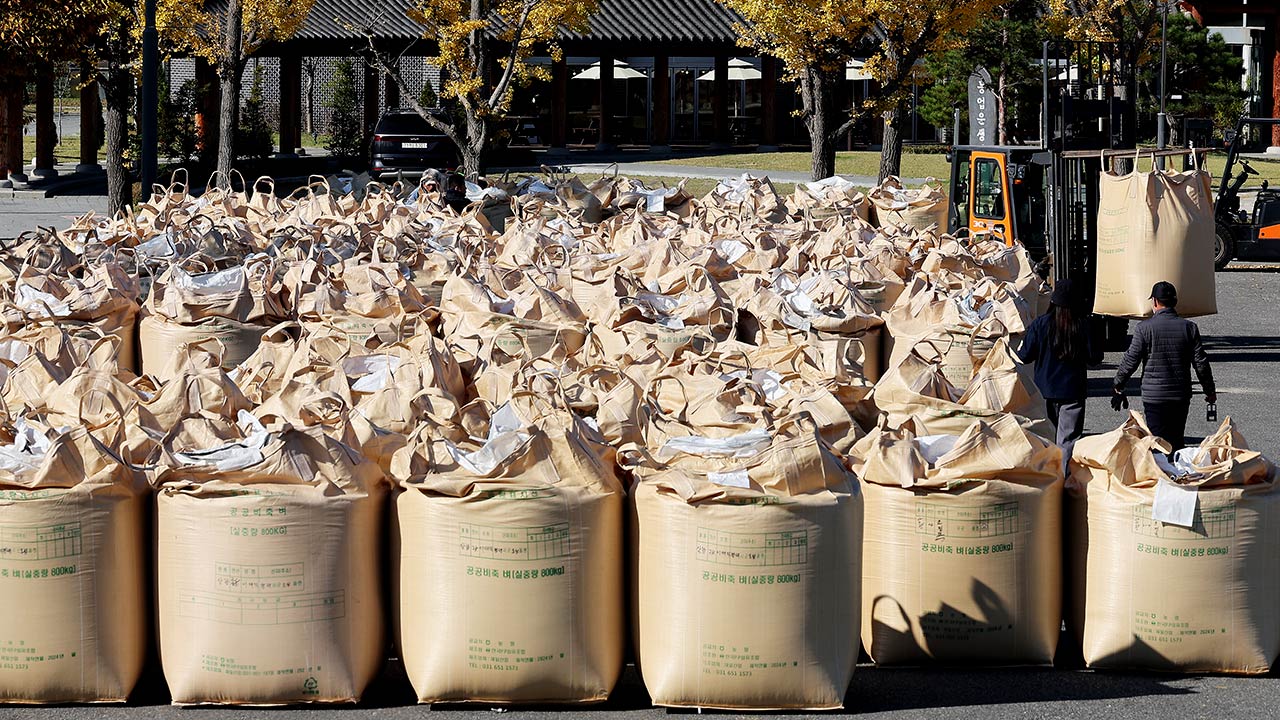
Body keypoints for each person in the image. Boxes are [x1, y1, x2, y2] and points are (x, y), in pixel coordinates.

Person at [1112, 281, 1216, 452]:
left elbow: (1131, 360)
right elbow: (1201, 363)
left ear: (1154, 302)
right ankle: (1177, 474)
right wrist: (1209, 391)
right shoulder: (1189, 328)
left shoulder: (1144, 328)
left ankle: (1162, 474)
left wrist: (1118, 384)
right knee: (1176, 440)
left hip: (1154, 397)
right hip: (1180, 396)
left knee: (1157, 443)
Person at [1016, 277, 1100, 477]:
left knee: (1045, 437)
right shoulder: (1083, 325)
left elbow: (1024, 356)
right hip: (1072, 391)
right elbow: (1095, 358)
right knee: (1068, 440)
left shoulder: (1040, 325)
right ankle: (1062, 482)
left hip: (1044, 391)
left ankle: (1044, 480)